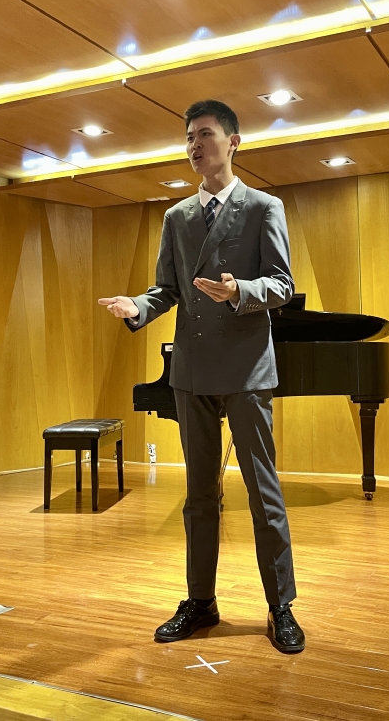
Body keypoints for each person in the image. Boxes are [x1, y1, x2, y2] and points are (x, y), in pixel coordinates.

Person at [97, 100, 304, 653]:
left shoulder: (264, 207)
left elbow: (282, 285)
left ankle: (280, 606)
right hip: (191, 372)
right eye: (189, 137)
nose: (195, 145)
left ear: (234, 142)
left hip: (247, 370)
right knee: (198, 495)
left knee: (264, 493)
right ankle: (200, 601)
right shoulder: (177, 218)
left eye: (205, 134)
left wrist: (240, 291)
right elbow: (167, 289)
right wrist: (138, 306)